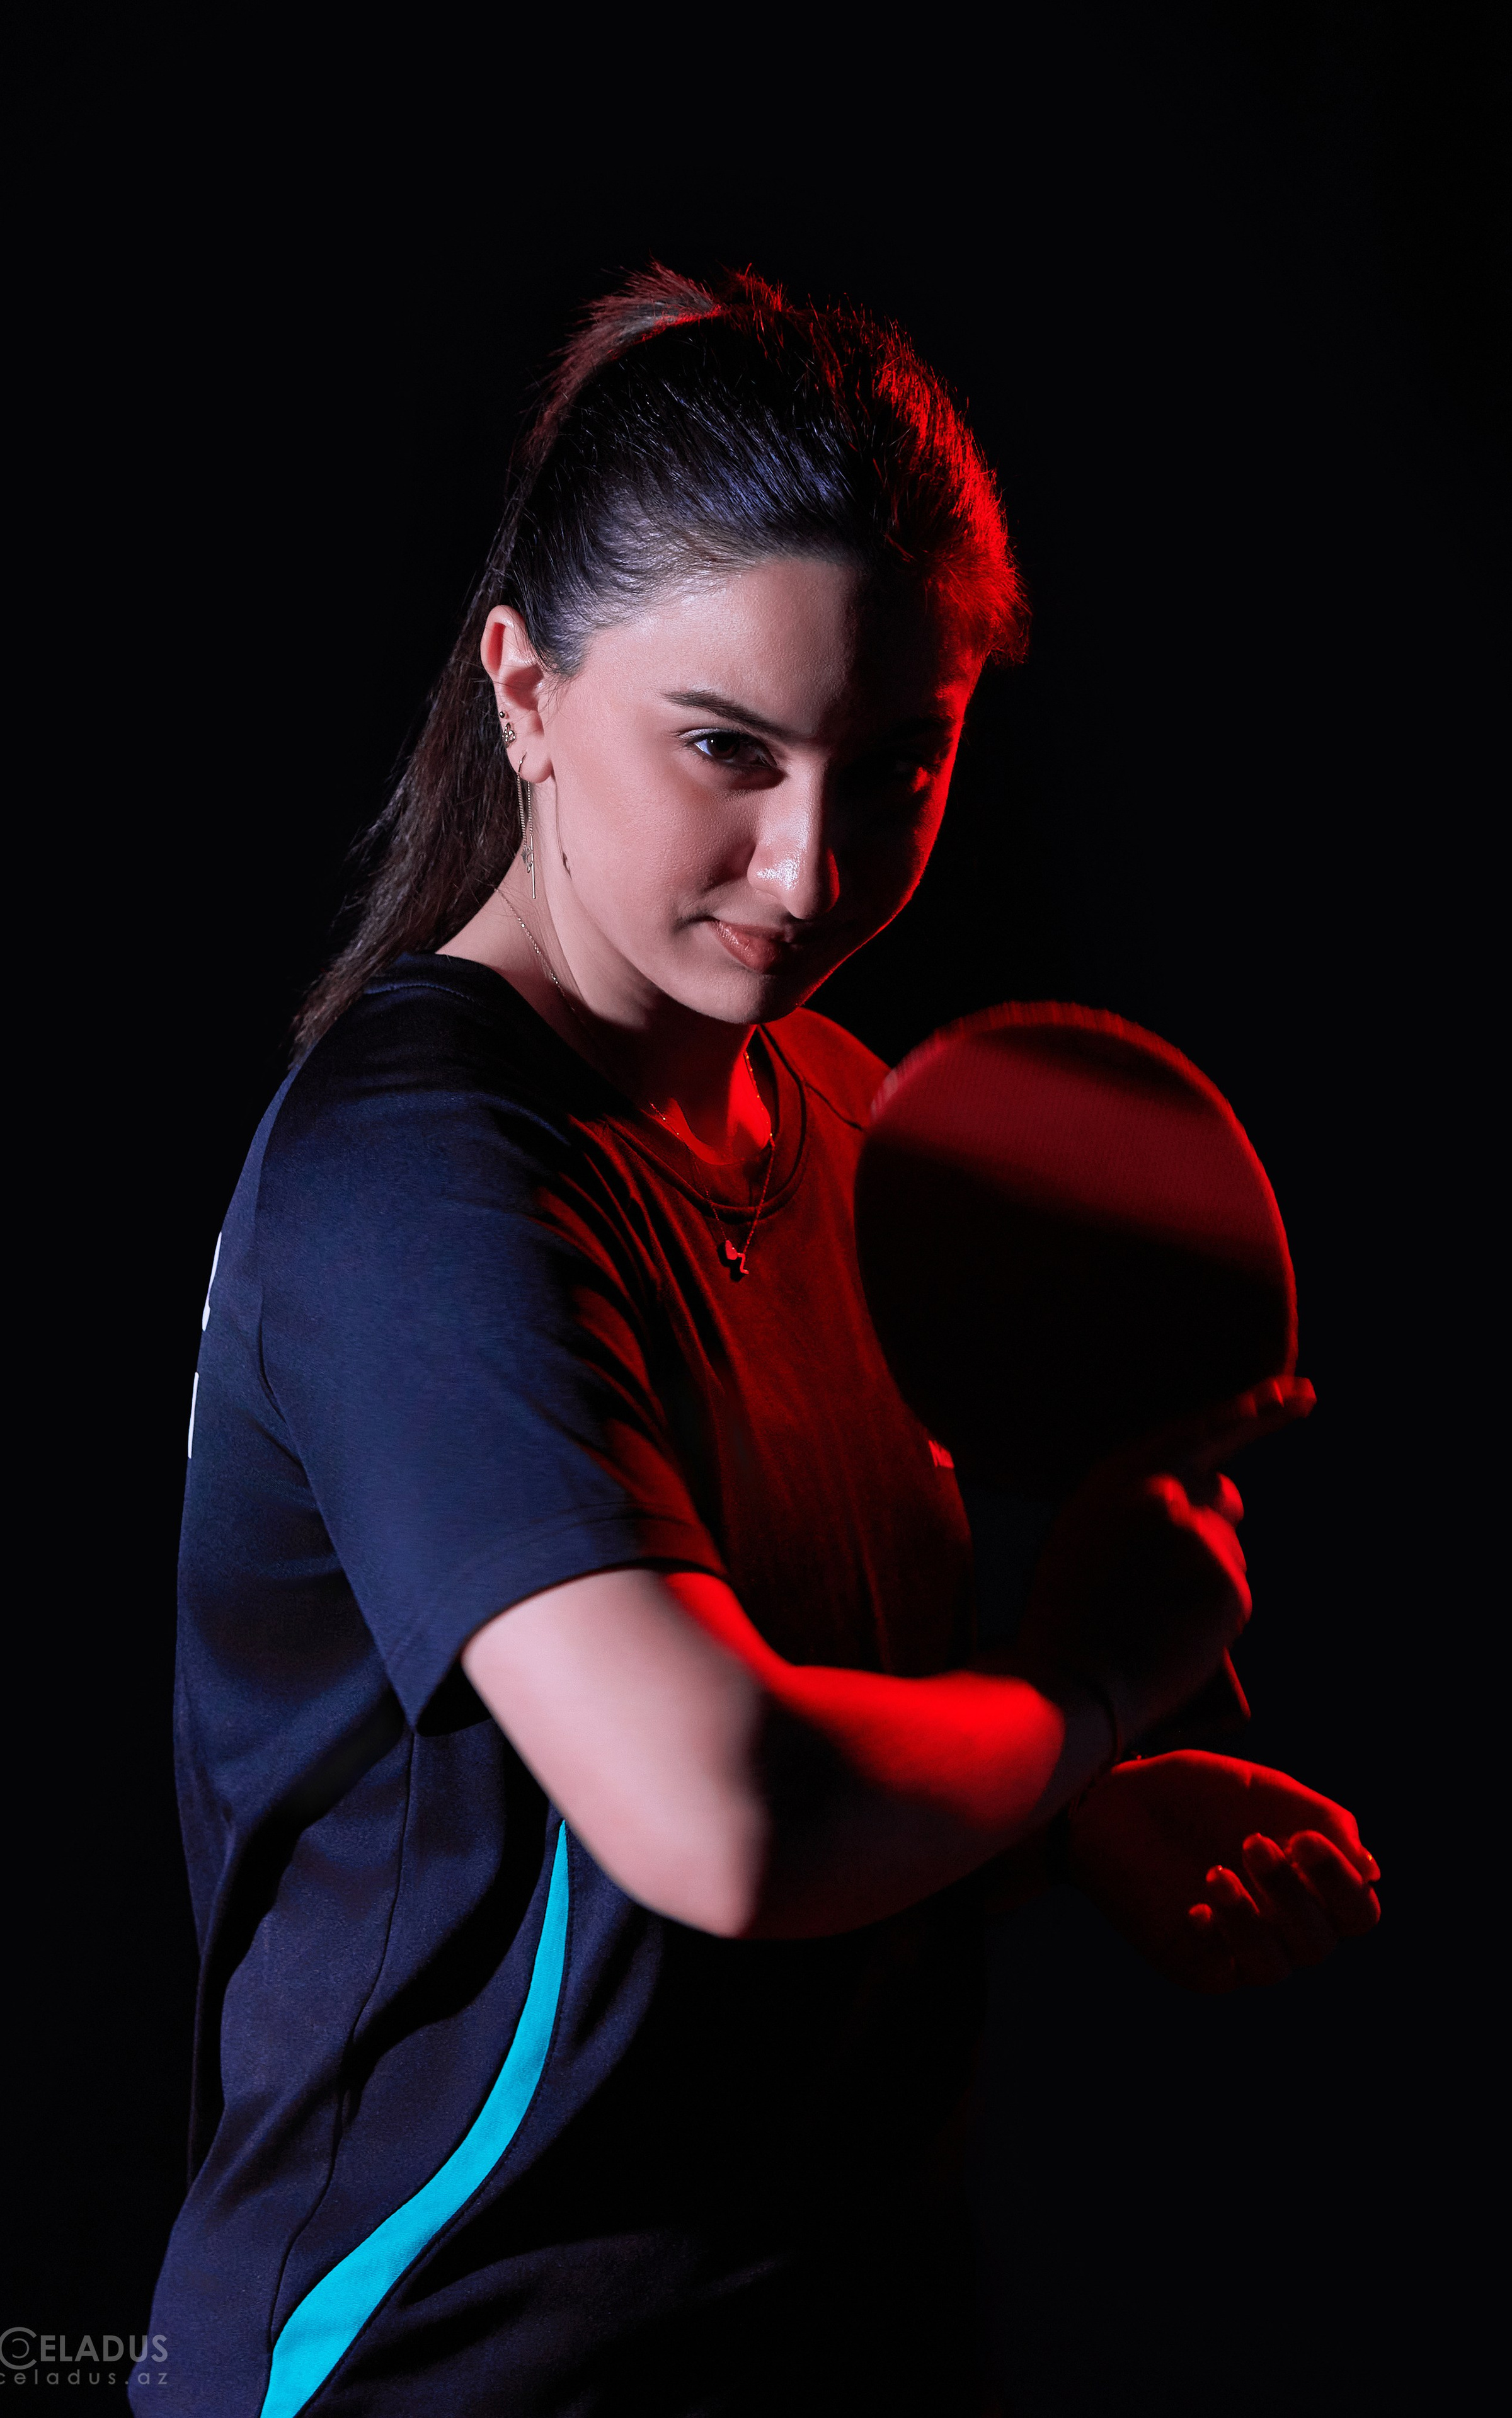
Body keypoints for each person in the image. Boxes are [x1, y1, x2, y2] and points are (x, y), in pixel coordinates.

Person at [149, 266, 1380, 2418]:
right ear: (527, 689)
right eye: (726, 747)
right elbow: (720, 1813)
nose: (809, 867)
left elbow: (812, 1712)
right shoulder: (422, 1182)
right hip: (445, 2367)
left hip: (818, 2340)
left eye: (900, 764)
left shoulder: (842, 1117)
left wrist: (1057, 1817)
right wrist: (1087, 1693)